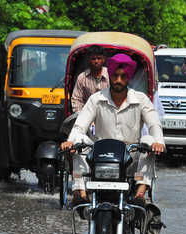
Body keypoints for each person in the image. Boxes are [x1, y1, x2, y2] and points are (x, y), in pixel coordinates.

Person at [61, 53, 165, 205]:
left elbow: (154, 125)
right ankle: (80, 192)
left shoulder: (141, 99)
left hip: (131, 160)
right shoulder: (96, 99)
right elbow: (80, 125)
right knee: (78, 141)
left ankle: (140, 194)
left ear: (129, 78)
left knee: (148, 140)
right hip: (100, 159)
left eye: (123, 76)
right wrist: (70, 141)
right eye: (115, 76)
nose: (118, 80)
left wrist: (158, 142)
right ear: (109, 75)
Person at [71, 46, 109, 113]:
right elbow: (76, 99)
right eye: (93, 59)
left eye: (99, 58)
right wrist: (81, 115)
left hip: (108, 113)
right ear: (89, 60)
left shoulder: (110, 75)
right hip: (88, 114)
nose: (96, 61)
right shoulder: (82, 77)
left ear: (103, 60)